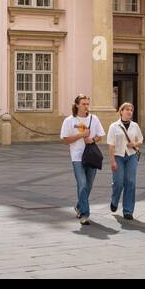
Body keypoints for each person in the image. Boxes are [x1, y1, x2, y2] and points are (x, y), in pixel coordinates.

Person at [61, 94, 105, 225]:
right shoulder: (69, 120)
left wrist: (93, 139)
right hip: (77, 157)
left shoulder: (94, 119)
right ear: (77, 105)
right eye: (83, 104)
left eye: (87, 104)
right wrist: (81, 135)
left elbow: (100, 135)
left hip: (91, 156)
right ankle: (85, 215)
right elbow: (65, 140)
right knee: (83, 184)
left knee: (88, 186)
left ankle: (79, 206)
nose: (86, 106)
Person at [107, 102, 144, 220]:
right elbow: (111, 145)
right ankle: (114, 200)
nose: (129, 112)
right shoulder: (114, 126)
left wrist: (135, 144)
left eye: (131, 110)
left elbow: (141, 140)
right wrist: (112, 161)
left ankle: (128, 211)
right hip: (118, 156)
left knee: (130, 182)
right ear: (121, 111)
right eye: (127, 109)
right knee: (118, 182)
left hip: (131, 156)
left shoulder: (135, 125)